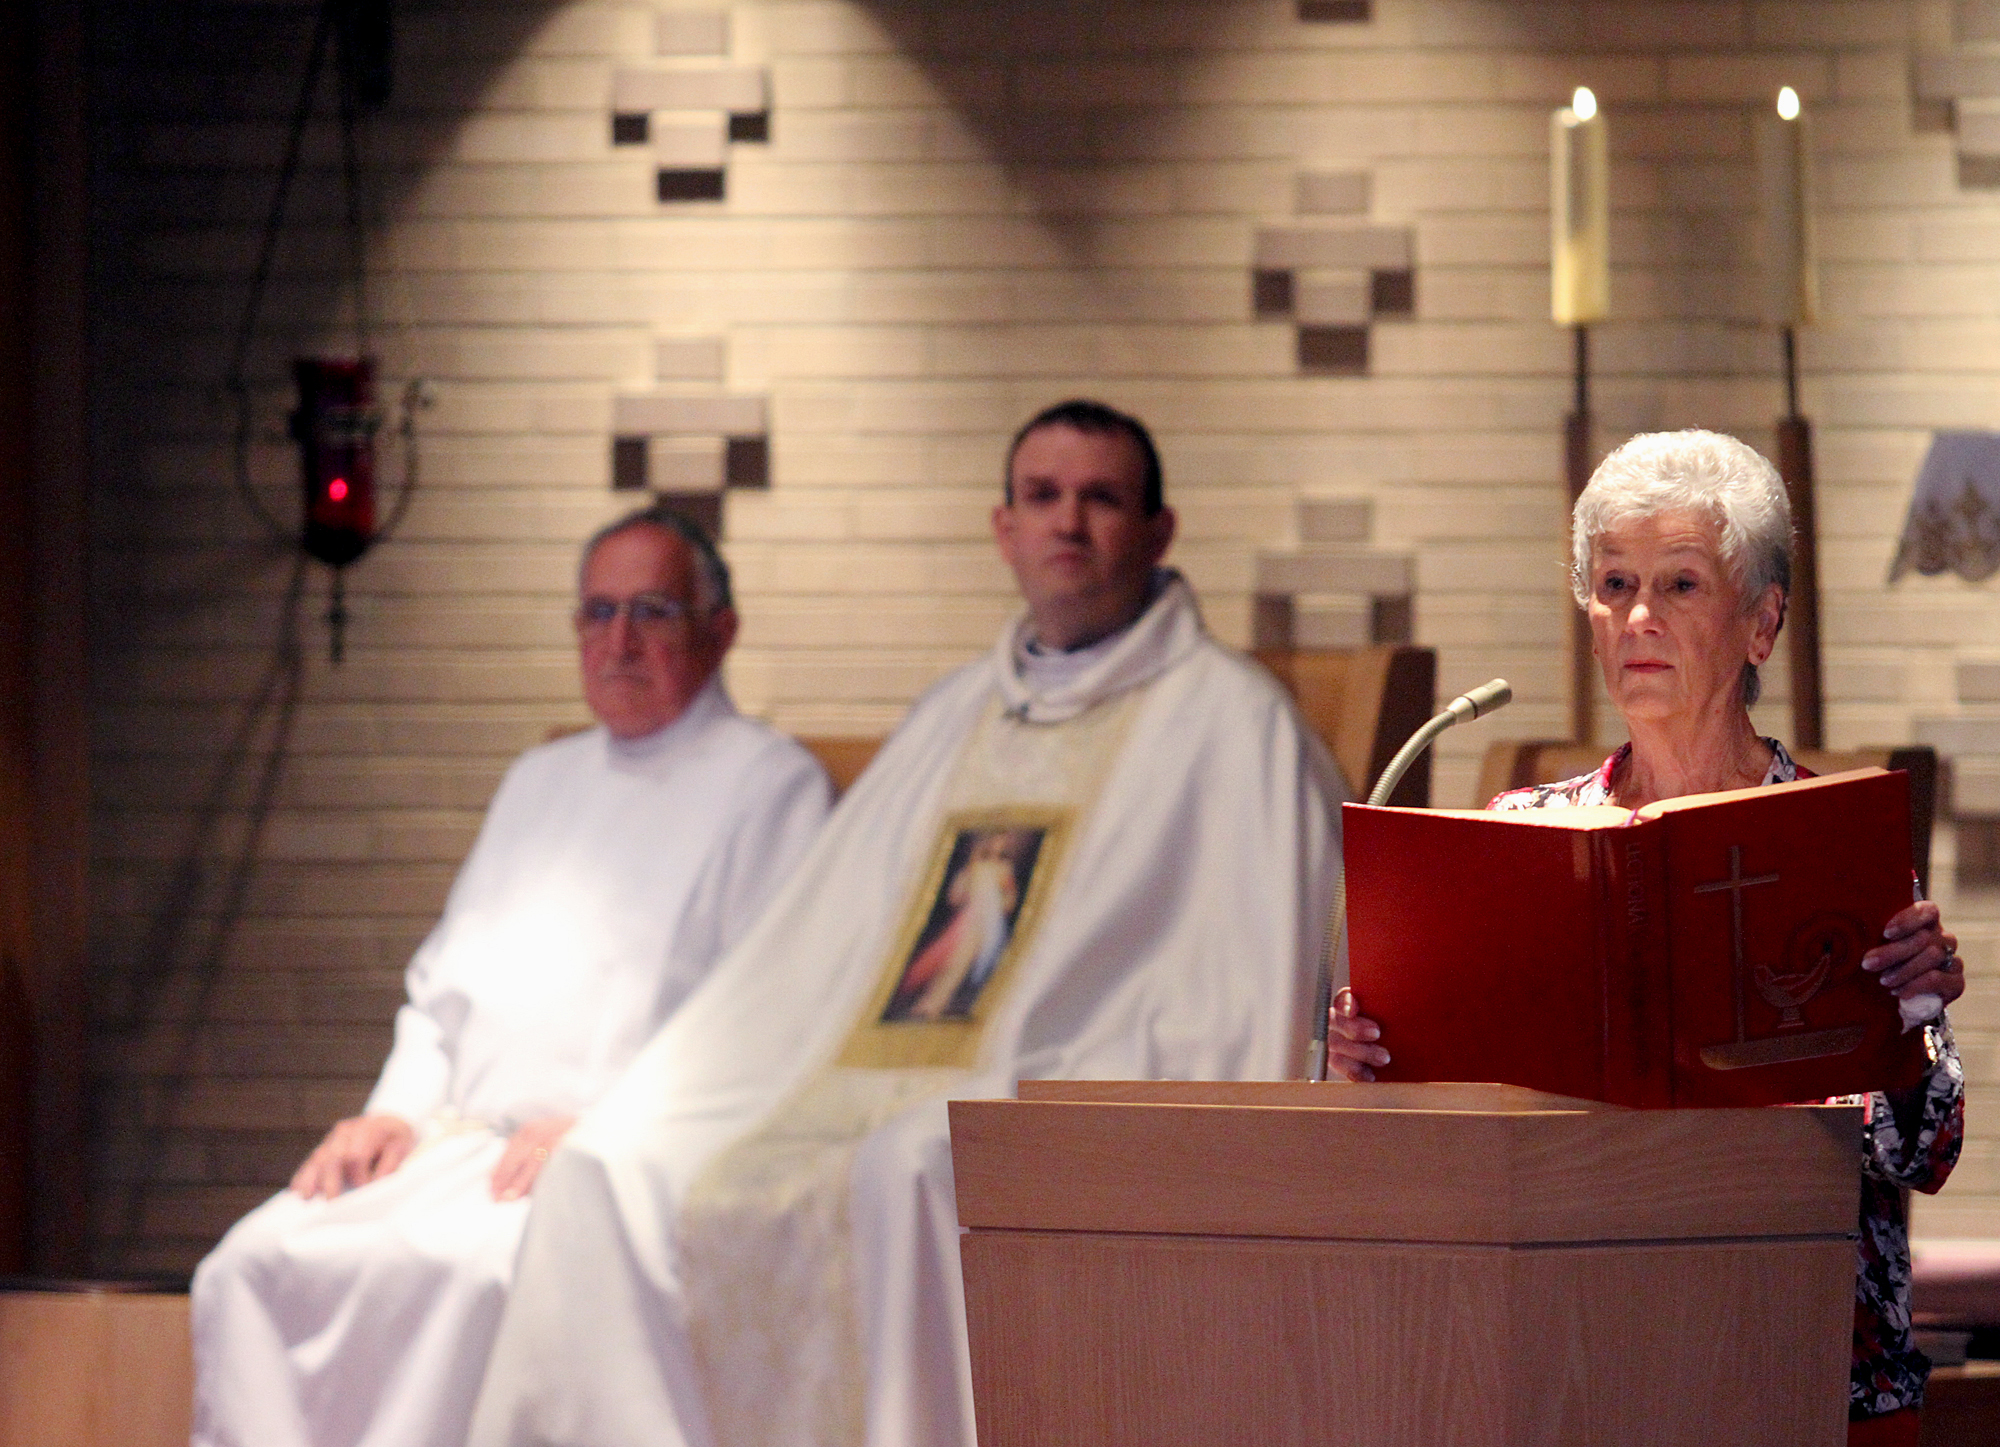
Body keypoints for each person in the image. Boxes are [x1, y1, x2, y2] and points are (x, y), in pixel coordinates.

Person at [467, 399, 1348, 1447]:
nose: (1067, 522)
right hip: (854, 1076)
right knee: (608, 1166)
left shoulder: (1231, 723)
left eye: (1100, 498)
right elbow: (810, 952)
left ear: (1156, 532)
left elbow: (1240, 979)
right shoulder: (954, 713)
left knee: (916, 1165)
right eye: (1041, 496)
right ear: (1003, 528)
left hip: (1059, 1080)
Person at [1328, 429, 1966, 1447]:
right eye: (1612, 581)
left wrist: (1904, 1022)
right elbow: (1437, 1142)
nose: (1635, 616)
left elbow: (1926, 1141)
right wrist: (1372, 1066)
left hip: (1801, 1362)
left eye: (1678, 584)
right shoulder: (1515, 839)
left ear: (1761, 622)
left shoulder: (1833, 841)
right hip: (1575, 1352)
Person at [190, 504, 831, 1447]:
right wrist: (393, 1111)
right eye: (596, 613)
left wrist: (616, 1131)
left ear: (720, 629)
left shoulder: (772, 782)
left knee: (484, 1276)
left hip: (615, 1165)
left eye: (652, 610)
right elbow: (440, 988)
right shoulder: (541, 778)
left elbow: (766, 1020)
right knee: (252, 1260)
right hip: (459, 1146)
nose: (617, 640)